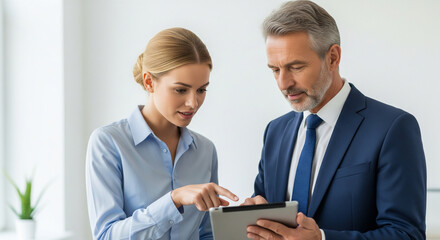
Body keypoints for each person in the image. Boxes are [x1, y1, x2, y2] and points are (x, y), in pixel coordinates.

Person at [243, 1, 426, 239]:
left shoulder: (393, 128)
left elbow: (406, 234)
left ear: (332, 57)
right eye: (275, 70)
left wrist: (322, 238)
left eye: (295, 67)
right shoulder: (275, 131)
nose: (283, 83)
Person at [85, 27, 238, 240]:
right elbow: (106, 235)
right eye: (181, 90)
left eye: (201, 90)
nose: (193, 103)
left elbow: (207, 234)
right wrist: (173, 200)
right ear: (149, 82)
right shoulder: (109, 143)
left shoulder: (205, 150)